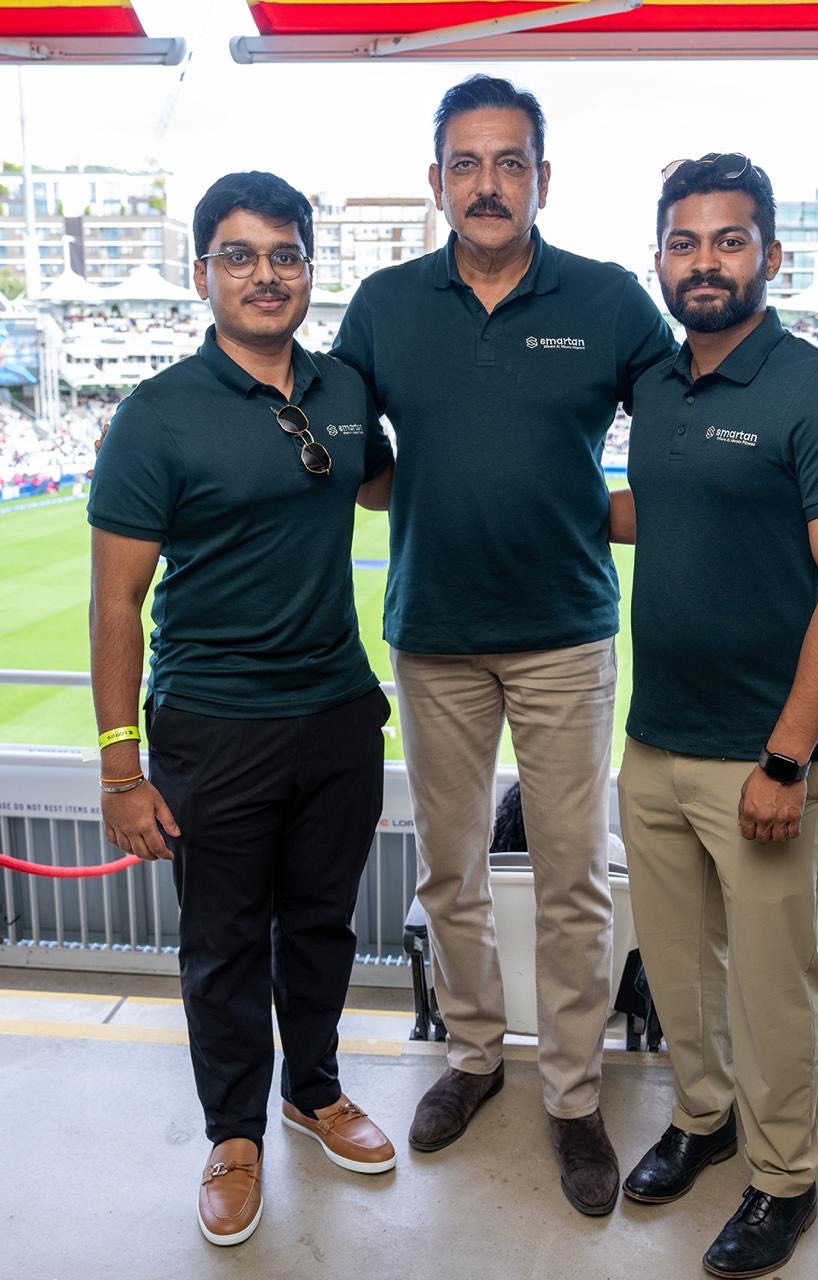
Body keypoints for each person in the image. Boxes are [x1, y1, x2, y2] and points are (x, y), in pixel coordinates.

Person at [332, 74, 676, 1215]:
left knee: (576, 878)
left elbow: (675, 435)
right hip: (432, 633)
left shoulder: (611, 297)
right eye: (466, 164)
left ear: (542, 177)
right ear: (436, 181)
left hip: (566, 637)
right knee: (451, 871)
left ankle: (572, 1092)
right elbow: (355, 457)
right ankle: (475, 1055)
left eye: (509, 162)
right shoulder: (382, 304)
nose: (488, 184)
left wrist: (600, 509)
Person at [87, 171, 397, 1248]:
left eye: (284, 254)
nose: (264, 274)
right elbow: (116, 599)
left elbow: (384, 480)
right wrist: (121, 768)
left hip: (339, 713)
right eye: (239, 254)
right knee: (221, 941)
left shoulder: (346, 387)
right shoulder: (158, 412)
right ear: (202, 270)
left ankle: (313, 1092)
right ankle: (234, 1132)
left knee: (320, 926)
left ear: (310, 267)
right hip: (211, 723)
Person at [612, 153, 818, 1275]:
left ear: (770, 255)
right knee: (679, 971)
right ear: (662, 259)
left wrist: (784, 757)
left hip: (759, 759)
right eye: (684, 241)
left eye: (729, 240)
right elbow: (660, 511)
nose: (705, 261)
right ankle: (702, 1116)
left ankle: (783, 1179)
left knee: (771, 983)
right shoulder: (661, 389)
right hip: (655, 738)